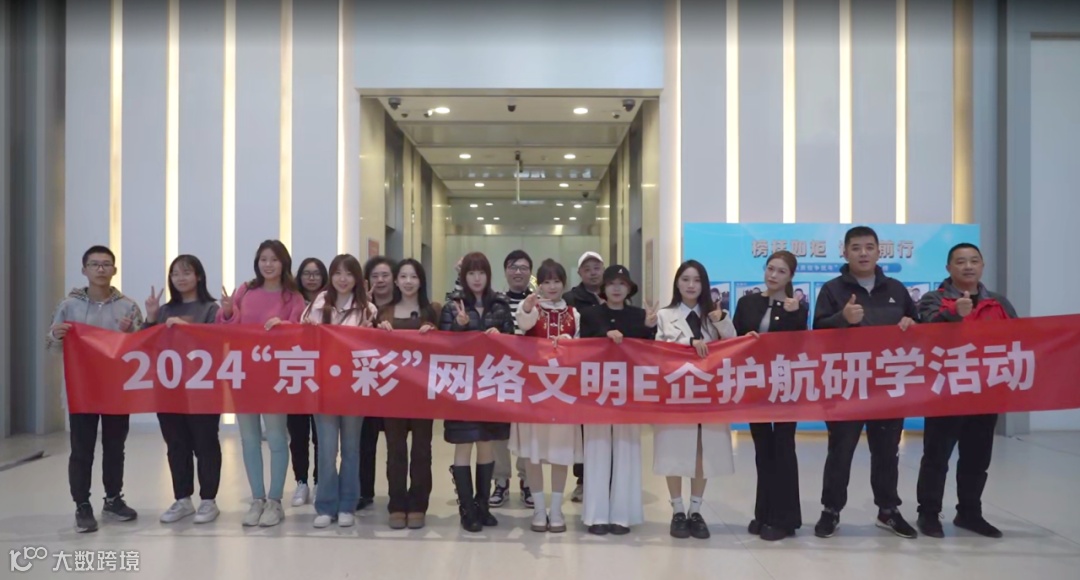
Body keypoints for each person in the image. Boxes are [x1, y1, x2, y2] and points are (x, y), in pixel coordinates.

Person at [812, 225, 919, 539]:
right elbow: (817, 331)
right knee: (840, 451)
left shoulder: (896, 289)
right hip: (847, 384)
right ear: (845, 252)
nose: (863, 253)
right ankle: (831, 510)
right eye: (856, 247)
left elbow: (918, 326)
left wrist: (912, 322)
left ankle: (888, 510)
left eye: (869, 247)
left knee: (887, 452)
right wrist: (842, 319)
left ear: (878, 251)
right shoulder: (832, 289)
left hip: (888, 384)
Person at [915, 243, 1017, 539]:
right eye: (960, 261)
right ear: (948, 268)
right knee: (936, 458)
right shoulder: (934, 299)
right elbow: (927, 329)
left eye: (974, 261)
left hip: (985, 393)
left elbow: (1021, 339)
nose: (968, 266)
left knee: (977, 459)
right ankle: (929, 513)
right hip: (945, 393)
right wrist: (953, 314)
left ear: (982, 266)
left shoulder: (999, 303)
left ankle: (970, 513)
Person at [48, 245, 143, 533]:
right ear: (84, 270)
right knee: (82, 449)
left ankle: (113, 499)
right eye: (94, 264)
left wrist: (130, 334)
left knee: (115, 447)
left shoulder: (128, 307)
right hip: (82, 390)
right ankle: (82, 504)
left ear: (114, 269)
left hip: (116, 389)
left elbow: (142, 348)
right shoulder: (68, 306)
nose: (101, 269)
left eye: (106, 264)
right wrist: (56, 335)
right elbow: (52, 347)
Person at [217, 239, 306, 527]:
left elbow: (300, 333)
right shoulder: (245, 291)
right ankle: (257, 498)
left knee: (277, 438)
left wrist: (284, 327)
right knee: (249, 438)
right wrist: (228, 311)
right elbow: (226, 329)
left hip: (276, 376)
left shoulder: (293, 297)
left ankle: (275, 500)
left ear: (284, 263)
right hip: (244, 373)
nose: (268, 264)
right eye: (263, 259)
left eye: (274, 259)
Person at [653, 259, 736, 540]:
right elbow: (658, 349)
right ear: (677, 283)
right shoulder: (665, 315)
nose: (691, 285)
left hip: (708, 394)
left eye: (697, 280)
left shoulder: (715, 316)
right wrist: (688, 345)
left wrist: (721, 321)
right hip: (676, 394)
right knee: (674, 450)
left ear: (705, 285)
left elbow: (734, 343)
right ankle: (677, 510)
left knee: (703, 450)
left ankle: (696, 510)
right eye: (685, 279)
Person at [732, 251, 807, 541]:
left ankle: (785, 519)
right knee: (762, 450)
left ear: (791, 277)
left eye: (781, 271)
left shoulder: (797, 307)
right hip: (756, 385)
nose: (773, 275)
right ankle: (763, 513)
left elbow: (800, 345)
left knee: (784, 448)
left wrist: (794, 314)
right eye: (770, 268)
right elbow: (735, 338)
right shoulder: (748, 302)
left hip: (786, 386)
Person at [143, 254, 222, 525]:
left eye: (186, 272)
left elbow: (217, 342)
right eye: (175, 273)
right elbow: (147, 345)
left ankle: (208, 500)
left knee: (205, 444)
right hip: (169, 388)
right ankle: (182, 499)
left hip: (202, 389)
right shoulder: (165, 310)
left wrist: (188, 328)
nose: (180, 278)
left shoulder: (211, 309)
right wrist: (151, 317)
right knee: (176, 444)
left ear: (198, 276)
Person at [439, 252, 515, 532]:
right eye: (471, 273)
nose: (476, 278)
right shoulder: (452, 306)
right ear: (463, 276)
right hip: (461, 387)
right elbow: (442, 346)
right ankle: (466, 508)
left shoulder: (500, 305)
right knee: (464, 445)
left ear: (488, 275)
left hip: (491, 385)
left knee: (486, 444)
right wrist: (458, 328)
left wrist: (501, 337)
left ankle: (483, 506)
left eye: (481, 272)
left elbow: (514, 344)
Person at [579, 265, 656, 536]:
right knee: (597, 450)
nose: (616, 288)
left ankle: (623, 515)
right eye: (611, 283)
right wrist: (605, 335)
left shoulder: (639, 316)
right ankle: (596, 515)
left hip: (629, 394)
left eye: (622, 283)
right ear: (604, 287)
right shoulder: (590, 314)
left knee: (627, 450)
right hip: (597, 393)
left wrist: (650, 328)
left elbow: (650, 352)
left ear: (629, 288)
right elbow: (582, 346)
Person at [302, 254, 377, 528]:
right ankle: (325, 505)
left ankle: (347, 505)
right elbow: (303, 338)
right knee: (326, 449)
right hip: (323, 387)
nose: (343, 279)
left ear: (357, 278)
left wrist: (369, 332)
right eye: (337, 273)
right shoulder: (318, 303)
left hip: (354, 387)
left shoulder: (367, 309)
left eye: (349, 273)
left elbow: (373, 347)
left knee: (351, 449)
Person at [512, 259, 583, 533]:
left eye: (556, 281)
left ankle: (556, 509)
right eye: (546, 281)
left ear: (564, 283)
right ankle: (539, 508)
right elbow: (523, 324)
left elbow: (584, 348)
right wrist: (529, 306)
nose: (552, 287)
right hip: (533, 391)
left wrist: (571, 344)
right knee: (534, 452)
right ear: (539, 284)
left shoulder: (574, 314)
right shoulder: (530, 307)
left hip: (563, 393)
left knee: (560, 452)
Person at [377, 259, 440, 530]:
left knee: (422, 450)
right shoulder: (384, 312)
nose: (408, 281)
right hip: (392, 391)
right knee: (395, 450)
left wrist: (435, 333)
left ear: (421, 280)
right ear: (396, 281)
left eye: (413, 276)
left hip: (423, 392)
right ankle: (396, 504)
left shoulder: (432, 311)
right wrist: (378, 331)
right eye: (403, 276)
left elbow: (448, 347)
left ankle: (418, 504)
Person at [489, 250, 536, 510]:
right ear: (505, 271)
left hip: (531, 377)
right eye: (513, 267)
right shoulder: (496, 301)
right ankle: (500, 481)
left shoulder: (538, 302)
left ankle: (527, 481)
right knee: (499, 432)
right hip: (502, 374)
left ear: (531, 272)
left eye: (523, 267)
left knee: (527, 431)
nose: (518, 272)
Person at [561, 251, 605, 502]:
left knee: (605, 428)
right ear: (579, 273)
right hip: (579, 372)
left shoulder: (614, 293)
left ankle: (607, 478)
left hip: (608, 374)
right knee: (581, 429)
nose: (592, 272)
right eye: (587, 269)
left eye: (596, 267)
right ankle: (582, 480)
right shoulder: (570, 299)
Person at [356, 255, 395, 511]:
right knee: (365, 441)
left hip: (394, 383)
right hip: (366, 379)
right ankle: (363, 491)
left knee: (395, 443)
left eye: (385, 275)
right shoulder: (359, 306)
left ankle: (396, 494)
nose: (380, 280)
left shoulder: (402, 305)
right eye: (375, 276)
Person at [289, 257, 327, 507]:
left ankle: (319, 480)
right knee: (298, 433)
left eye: (316, 273)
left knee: (321, 434)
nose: (311, 278)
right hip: (295, 373)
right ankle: (301, 482)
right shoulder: (291, 301)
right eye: (306, 273)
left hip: (324, 376)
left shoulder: (331, 302)